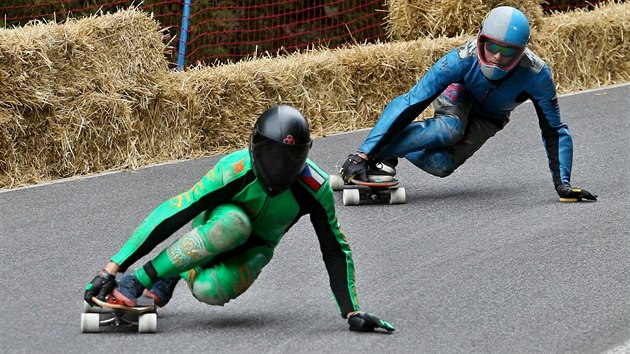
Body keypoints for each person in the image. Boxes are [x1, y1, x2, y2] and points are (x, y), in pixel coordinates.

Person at [84, 105, 395, 333]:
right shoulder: (234, 169)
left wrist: (351, 310)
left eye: (289, 159)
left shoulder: (316, 188)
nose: (278, 167)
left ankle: (175, 273)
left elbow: (334, 247)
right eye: (271, 155)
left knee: (212, 291)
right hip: (218, 226)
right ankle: (141, 280)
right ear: (254, 146)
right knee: (234, 224)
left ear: (305, 154)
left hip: (257, 248)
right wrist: (114, 266)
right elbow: (177, 211)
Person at [339, 6, 596, 202]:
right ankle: (368, 157)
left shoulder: (538, 75)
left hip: (492, 117)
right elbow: (412, 100)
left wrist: (563, 184)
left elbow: (554, 129)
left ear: (522, 52)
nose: (496, 57)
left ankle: (387, 152)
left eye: (507, 53)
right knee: (449, 128)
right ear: (480, 39)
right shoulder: (460, 59)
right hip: (460, 94)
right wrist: (362, 153)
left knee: (441, 167)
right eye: (491, 47)